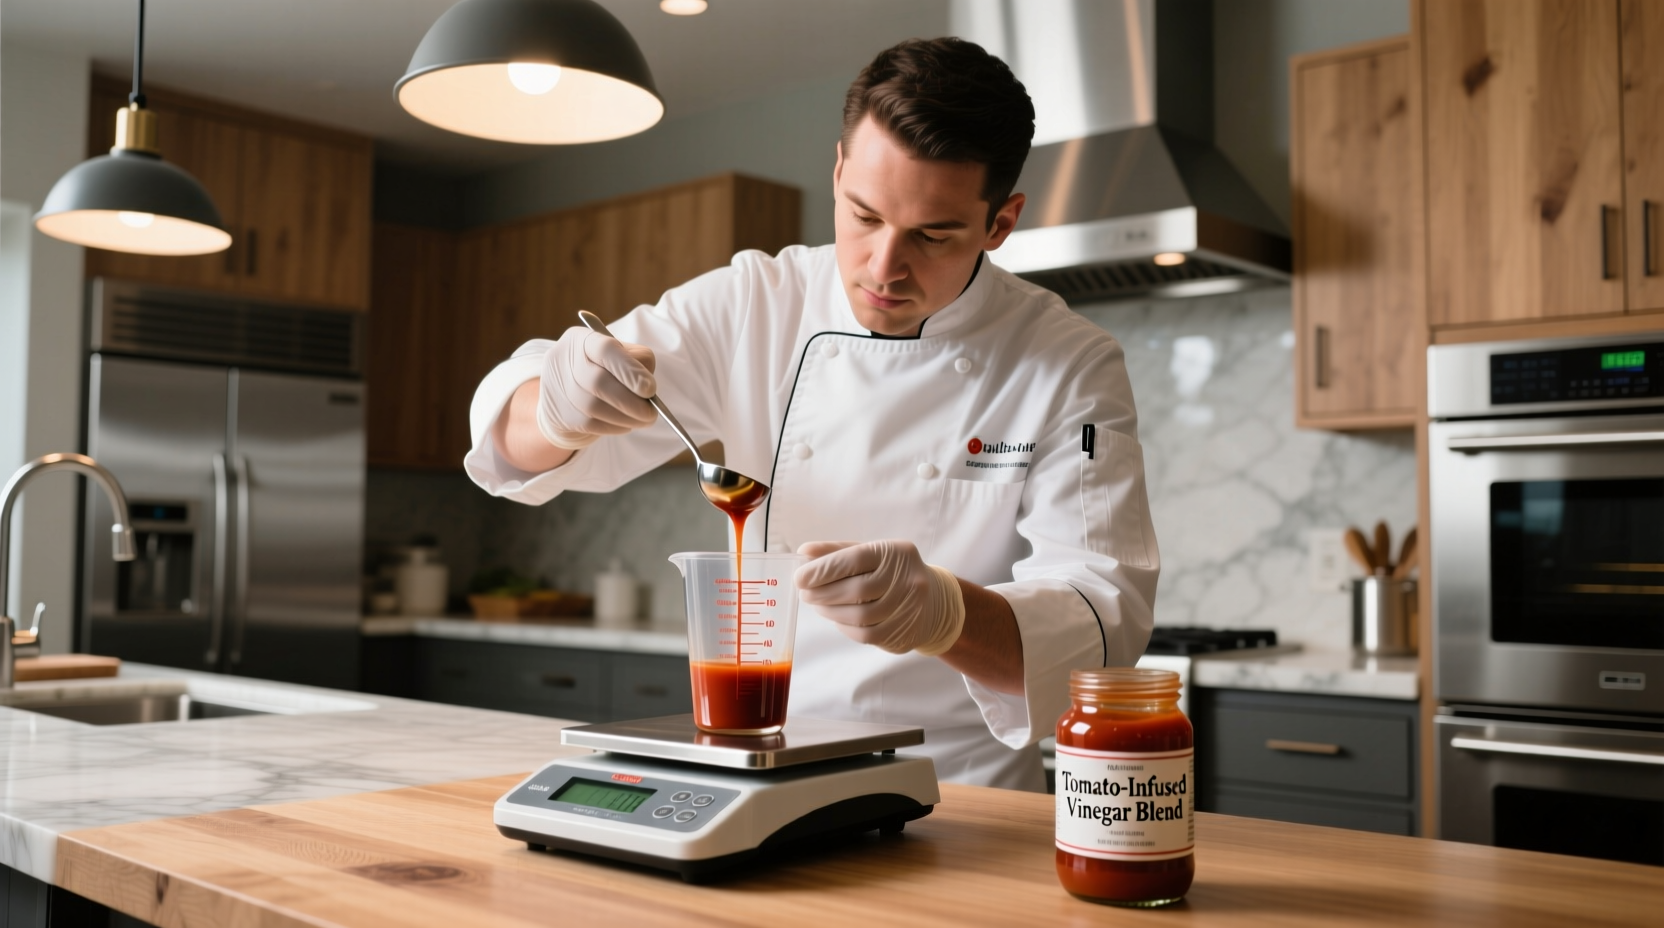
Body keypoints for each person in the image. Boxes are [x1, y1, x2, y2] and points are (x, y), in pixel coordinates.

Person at [464, 37, 1158, 791]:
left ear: (1001, 223)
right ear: (836, 173)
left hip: (961, 795)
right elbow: (511, 447)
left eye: (933, 235)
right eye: (863, 215)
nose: (882, 267)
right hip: (760, 764)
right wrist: (560, 409)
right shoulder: (757, 302)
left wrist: (946, 614)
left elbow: (1101, 626)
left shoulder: (1069, 363)